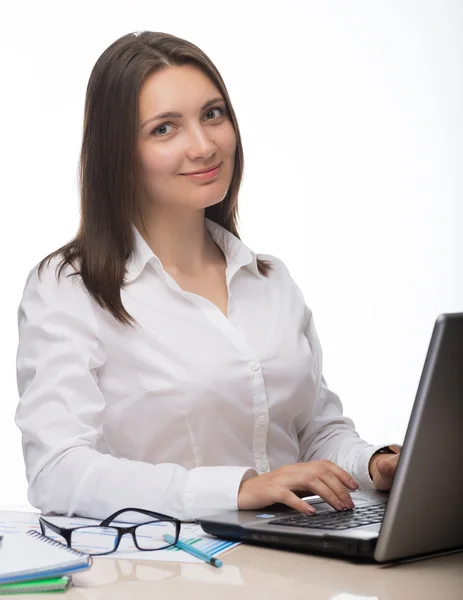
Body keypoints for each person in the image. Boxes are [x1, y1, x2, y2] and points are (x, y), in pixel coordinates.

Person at [15, 31, 400, 522]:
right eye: (164, 129)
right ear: (118, 154)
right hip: (169, 567)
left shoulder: (270, 281)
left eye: (212, 114)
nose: (203, 146)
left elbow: (315, 432)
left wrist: (374, 464)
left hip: (296, 554)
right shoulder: (70, 288)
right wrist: (237, 488)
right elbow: (57, 471)